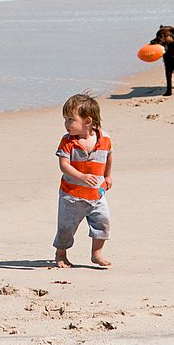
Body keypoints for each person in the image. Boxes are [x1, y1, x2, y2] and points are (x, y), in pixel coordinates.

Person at [53, 93, 113, 267]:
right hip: (71, 195)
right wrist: (81, 176)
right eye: (65, 119)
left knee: (102, 222)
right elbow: (64, 165)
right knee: (66, 228)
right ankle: (61, 254)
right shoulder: (67, 142)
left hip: (96, 194)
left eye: (71, 119)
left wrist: (108, 175)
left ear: (87, 121)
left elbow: (109, 156)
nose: (66, 124)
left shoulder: (105, 138)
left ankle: (96, 253)